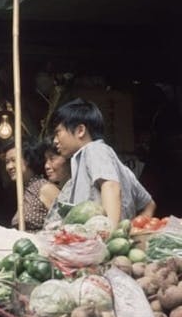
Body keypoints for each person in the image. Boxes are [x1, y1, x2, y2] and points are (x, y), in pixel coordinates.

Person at [53, 98, 155, 229]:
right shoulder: (120, 168)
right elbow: (149, 204)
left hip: (101, 245)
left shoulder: (94, 149)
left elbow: (110, 186)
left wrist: (111, 235)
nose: (55, 141)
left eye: (58, 133)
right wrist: (131, 232)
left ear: (80, 131)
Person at [2, 138, 60, 232]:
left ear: (28, 160)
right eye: (7, 162)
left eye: (13, 160)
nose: (9, 167)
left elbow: (66, 224)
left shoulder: (45, 188)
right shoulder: (26, 190)